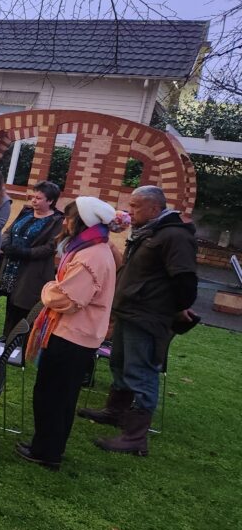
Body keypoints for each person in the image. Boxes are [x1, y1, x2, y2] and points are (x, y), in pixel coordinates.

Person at [81, 185, 198, 456]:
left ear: (154, 208)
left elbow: (184, 278)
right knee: (120, 362)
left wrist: (179, 308)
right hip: (130, 311)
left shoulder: (173, 236)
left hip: (148, 315)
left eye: (135, 206)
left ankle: (135, 437)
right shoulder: (150, 231)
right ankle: (115, 411)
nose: (129, 211)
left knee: (141, 371)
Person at [15, 197, 118, 470]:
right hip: (73, 334)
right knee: (56, 394)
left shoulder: (91, 256)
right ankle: (47, 446)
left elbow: (66, 299)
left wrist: (49, 288)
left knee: (53, 395)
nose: (65, 222)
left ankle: (46, 452)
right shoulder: (91, 248)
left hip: (72, 336)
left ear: (83, 222)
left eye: (69, 217)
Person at [0, 181, 64, 336]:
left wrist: (24, 252)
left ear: (50, 201)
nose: (33, 200)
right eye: (33, 197)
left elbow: (50, 247)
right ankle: (6, 337)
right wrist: (6, 246)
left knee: (23, 304)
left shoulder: (56, 221)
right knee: (11, 301)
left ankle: (19, 341)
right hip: (12, 266)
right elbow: (8, 231)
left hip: (31, 271)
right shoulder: (26, 212)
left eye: (39, 198)